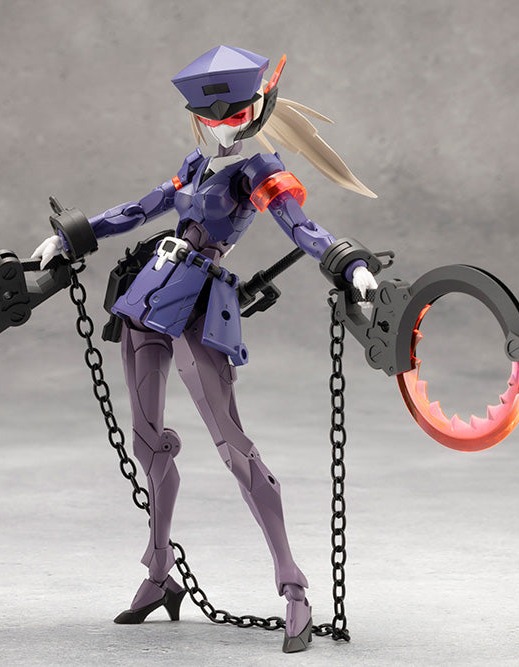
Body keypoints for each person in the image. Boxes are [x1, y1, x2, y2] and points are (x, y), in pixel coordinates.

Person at [32, 45, 377, 653]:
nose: (221, 126)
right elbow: (139, 209)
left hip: (200, 302)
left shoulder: (258, 172)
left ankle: (293, 585)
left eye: (234, 114)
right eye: (208, 116)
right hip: (149, 294)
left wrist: (346, 262)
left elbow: (299, 224)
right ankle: (159, 571)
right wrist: (71, 236)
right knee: (147, 441)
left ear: (258, 106)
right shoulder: (194, 165)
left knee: (232, 445)